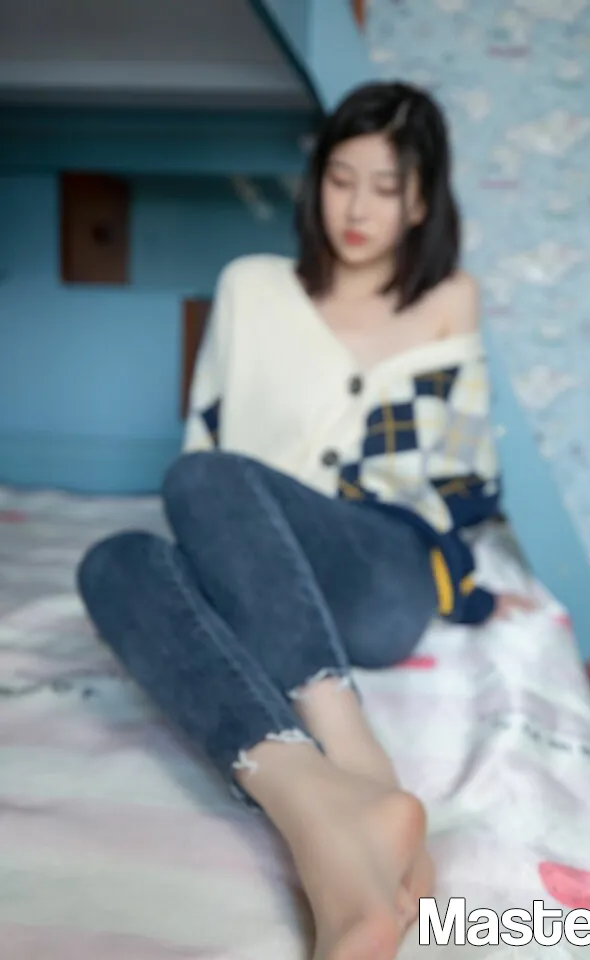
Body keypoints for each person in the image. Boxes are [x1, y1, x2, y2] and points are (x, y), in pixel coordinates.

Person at [77, 81, 536, 960]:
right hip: (257, 561)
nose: (357, 209)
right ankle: (318, 810)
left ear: (421, 203)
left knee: (203, 478)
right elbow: (207, 436)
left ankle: (356, 759)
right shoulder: (250, 287)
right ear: (316, 180)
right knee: (115, 560)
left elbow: (462, 469)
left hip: (376, 565)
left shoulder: (448, 297)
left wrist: (469, 591)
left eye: (387, 187)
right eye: (341, 179)